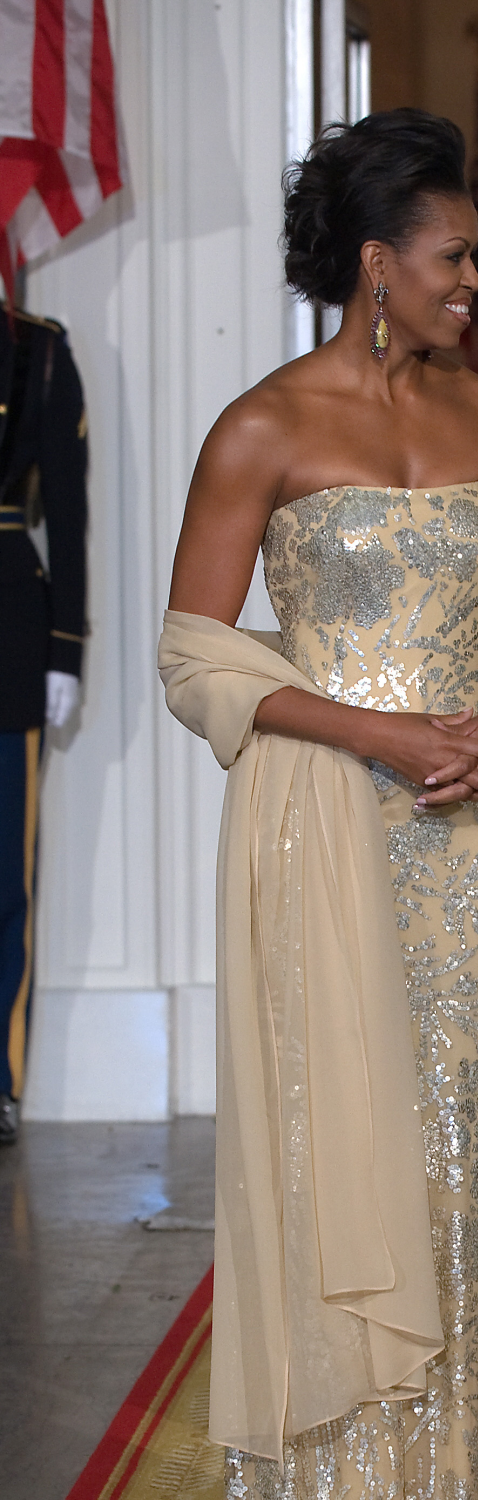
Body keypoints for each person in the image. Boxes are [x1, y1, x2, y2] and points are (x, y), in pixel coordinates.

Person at [159, 108, 478, 1500]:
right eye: (456, 255)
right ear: (375, 264)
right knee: (338, 1146)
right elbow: (194, 652)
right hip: (325, 830)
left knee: (461, 1165)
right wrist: (379, 733)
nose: (477, 280)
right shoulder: (261, 429)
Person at [0, 304, 87, 1142]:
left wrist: (66, 648)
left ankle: (0, 1079)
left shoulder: (37, 351)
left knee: (2, 877)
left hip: (8, 630)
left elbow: (66, 502)